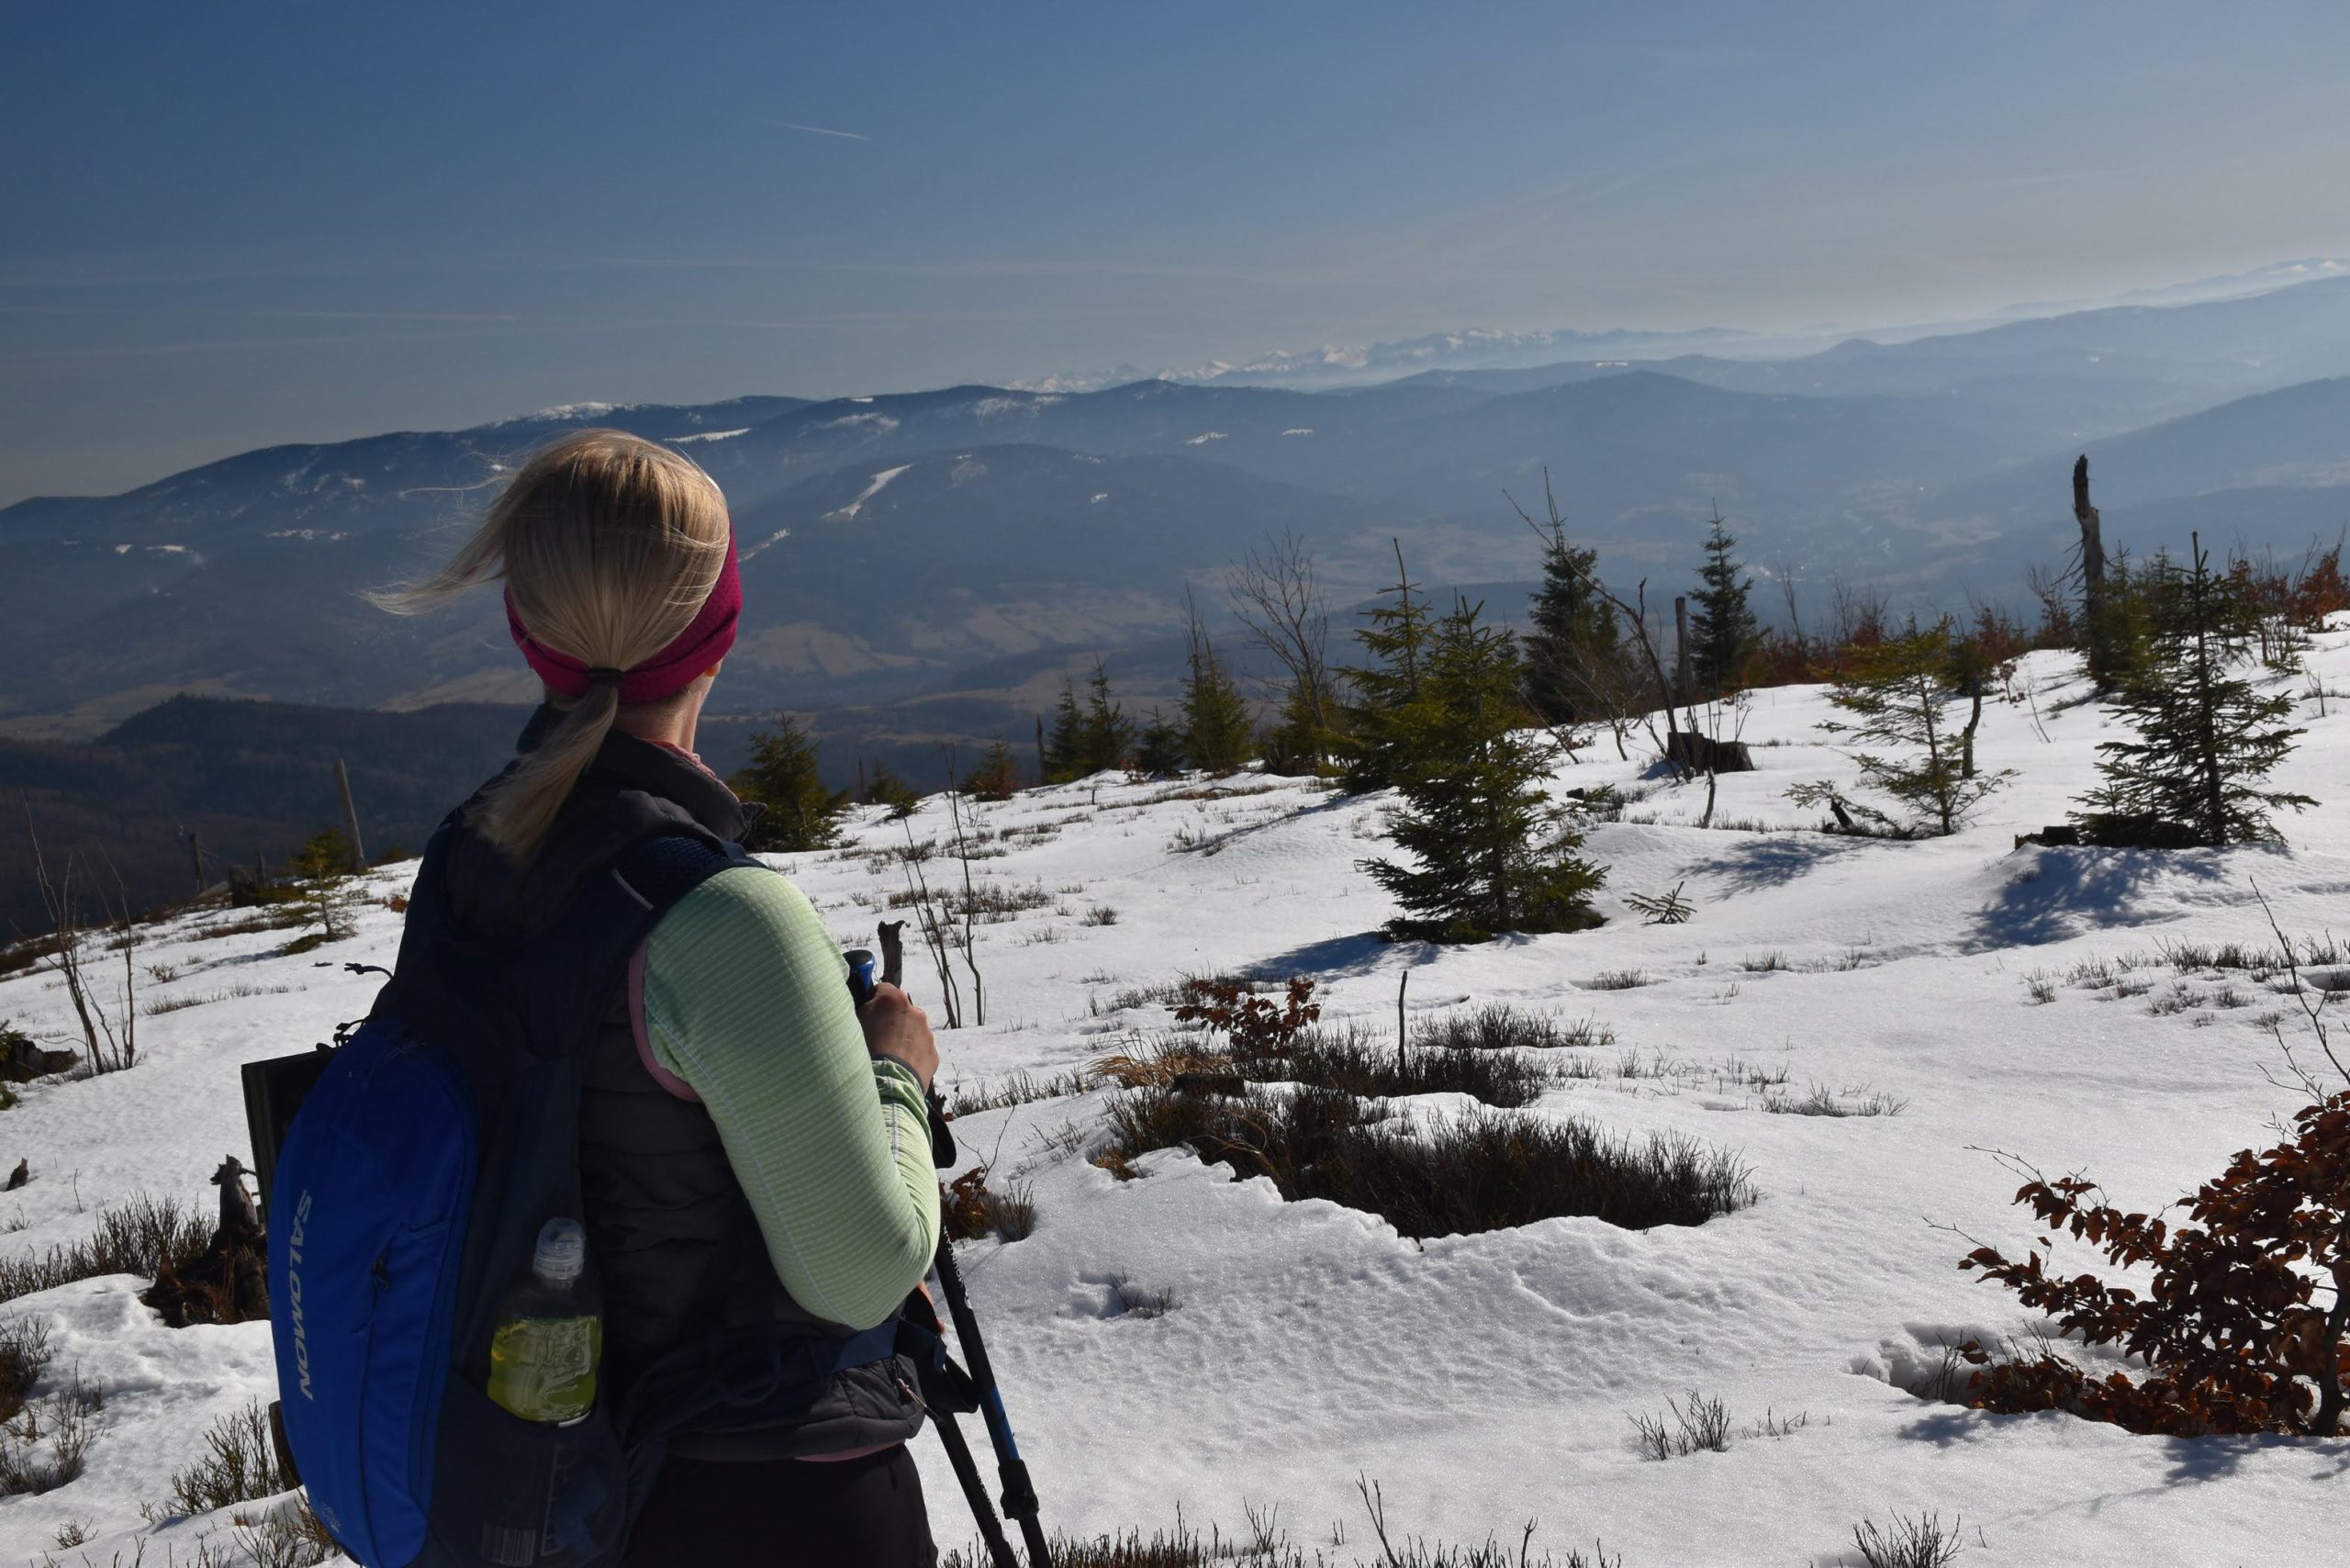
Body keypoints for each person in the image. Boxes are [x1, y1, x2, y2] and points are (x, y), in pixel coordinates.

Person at [377, 429, 944, 1566]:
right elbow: (864, 1269)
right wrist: (896, 1073)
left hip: (538, 1485)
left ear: (527, 626)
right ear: (718, 624)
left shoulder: (472, 857)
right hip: (757, 1492)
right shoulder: (717, 915)